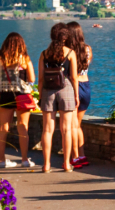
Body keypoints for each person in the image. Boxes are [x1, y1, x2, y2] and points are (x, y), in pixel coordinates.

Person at [37, 24, 79, 173]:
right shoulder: (70, 53)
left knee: (47, 130)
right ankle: (67, 164)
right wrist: (76, 95)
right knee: (66, 130)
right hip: (66, 88)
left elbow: (40, 79)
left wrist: (40, 95)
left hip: (48, 90)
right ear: (66, 37)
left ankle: (46, 165)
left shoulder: (44, 53)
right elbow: (74, 77)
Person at [0, 32, 37, 168]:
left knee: (3, 127)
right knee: (23, 127)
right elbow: (32, 79)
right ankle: (24, 159)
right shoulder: (24, 58)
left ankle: (1, 160)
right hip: (21, 94)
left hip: (5, 94)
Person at [66, 21, 92, 169]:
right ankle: (81, 155)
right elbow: (86, 67)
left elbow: (72, 73)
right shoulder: (88, 49)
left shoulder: (68, 51)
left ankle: (75, 157)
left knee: (73, 125)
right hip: (86, 86)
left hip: (74, 86)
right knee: (78, 125)